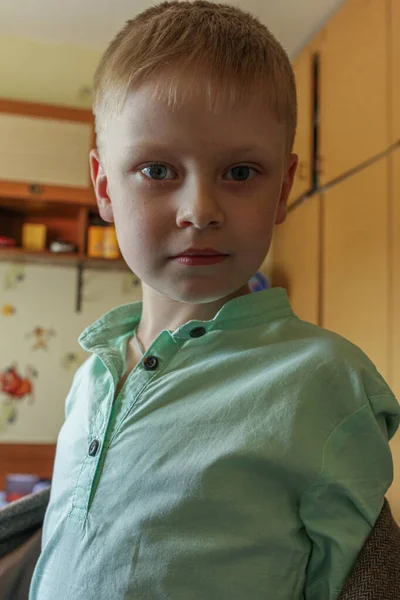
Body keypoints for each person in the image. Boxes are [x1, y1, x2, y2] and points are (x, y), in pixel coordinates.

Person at [29, 2, 400, 599]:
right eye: (157, 169)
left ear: (282, 189)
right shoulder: (89, 377)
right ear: (103, 187)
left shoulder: (324, 378)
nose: (200, 209)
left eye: (241, 172)